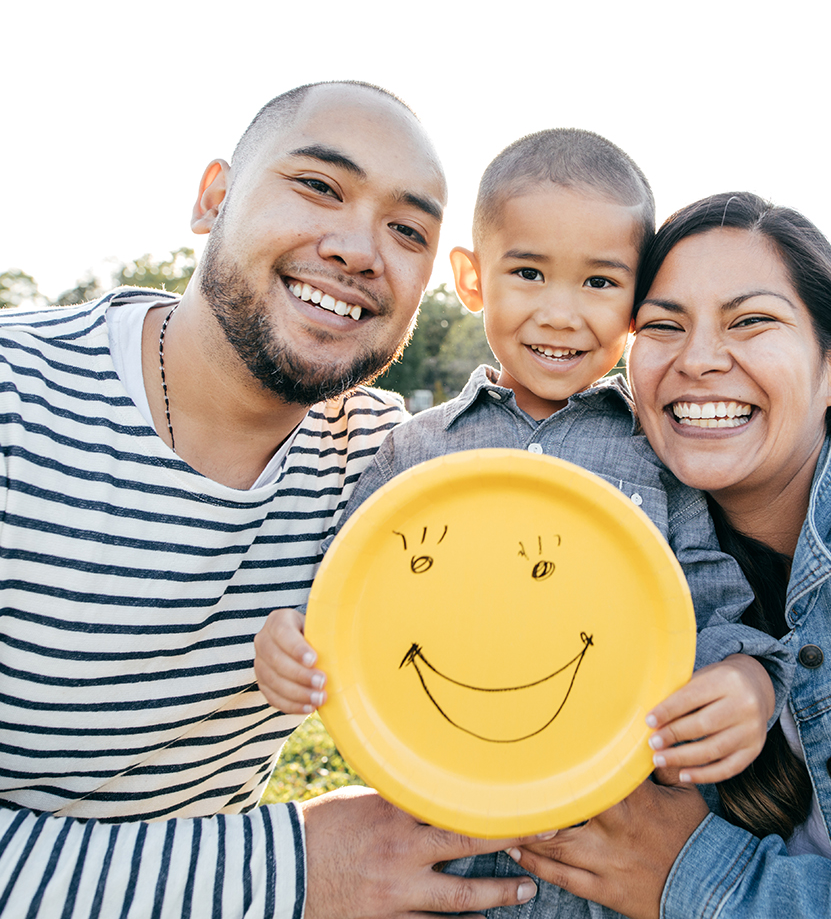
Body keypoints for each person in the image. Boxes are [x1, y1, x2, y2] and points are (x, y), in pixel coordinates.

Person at [0, 81, 541, 919]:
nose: (361, 250)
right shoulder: (17, 404)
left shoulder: (392, 466)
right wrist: (293, 870)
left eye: (408, 231)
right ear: (213, 198)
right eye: (320, 185)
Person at [501, 192, 831, 919]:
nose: (700, 359)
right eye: (663, 326)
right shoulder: (596, 554)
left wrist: (702, 882)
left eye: (752, 321)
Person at [256, 137, 793, 806]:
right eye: (529, 274)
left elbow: (713, 607)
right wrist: (292, 641)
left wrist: (748, 679)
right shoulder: (411, 452)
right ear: (473, 279)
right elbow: (347, 599)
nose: (560, 314)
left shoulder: (658, 457)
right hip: (441, 809)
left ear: (637, 303)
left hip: (610, 830)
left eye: (599, 282)